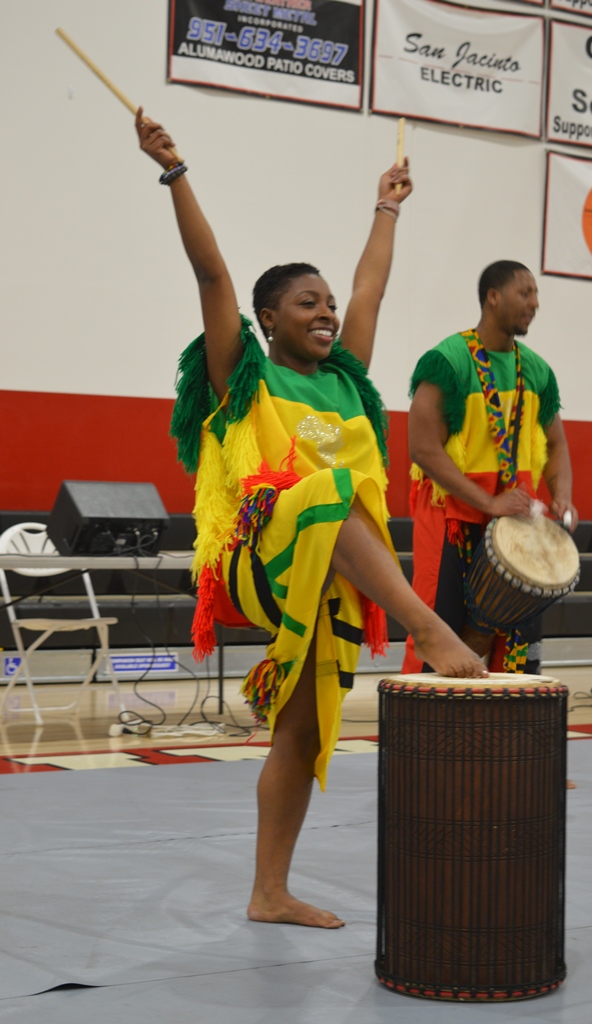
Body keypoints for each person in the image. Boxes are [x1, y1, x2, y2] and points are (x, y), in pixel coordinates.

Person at [135, 109, 486, 929]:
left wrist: (387, 207)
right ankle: (429, 630)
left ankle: (268, 893)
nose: (326, 312)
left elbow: (371, 288)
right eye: (306, 303)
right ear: (268, 319)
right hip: (261, 558)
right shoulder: (242, 377)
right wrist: (174, 170)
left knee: (302, 731)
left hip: (331, 574)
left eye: (326, 303)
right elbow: (213, 273)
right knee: (325, 489)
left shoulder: (347, 381)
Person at [403, 260, 579, 677]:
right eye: (525, 293)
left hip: (512, 520)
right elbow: (422, 449)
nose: (534, 303)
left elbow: (556, 444)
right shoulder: (449, 360)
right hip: (450, 516)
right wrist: (488, 501)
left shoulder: (536, 371)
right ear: (493, 297)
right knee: (437, 631)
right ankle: (426, 736)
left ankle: (502, 738)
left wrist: (563, 498)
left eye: (536, 294)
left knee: (515, 647)